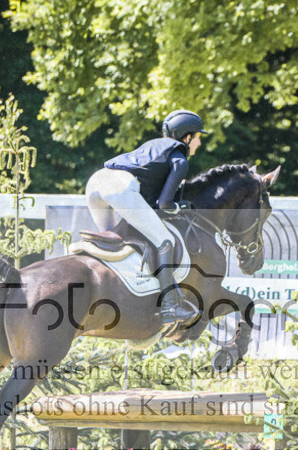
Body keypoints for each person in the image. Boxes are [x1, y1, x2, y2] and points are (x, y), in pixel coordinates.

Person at [84, 109, 209, 325]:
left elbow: (151, 200)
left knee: (117, 241)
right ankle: (169, 307)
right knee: (165, 242)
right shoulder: (179, 158)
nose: (198, 143)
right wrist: (181, 207)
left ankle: (117, 292)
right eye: (197, 137)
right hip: (119, 187)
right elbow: (164, 204)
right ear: (186, 137)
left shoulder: (153, 146)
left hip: (96, 182)